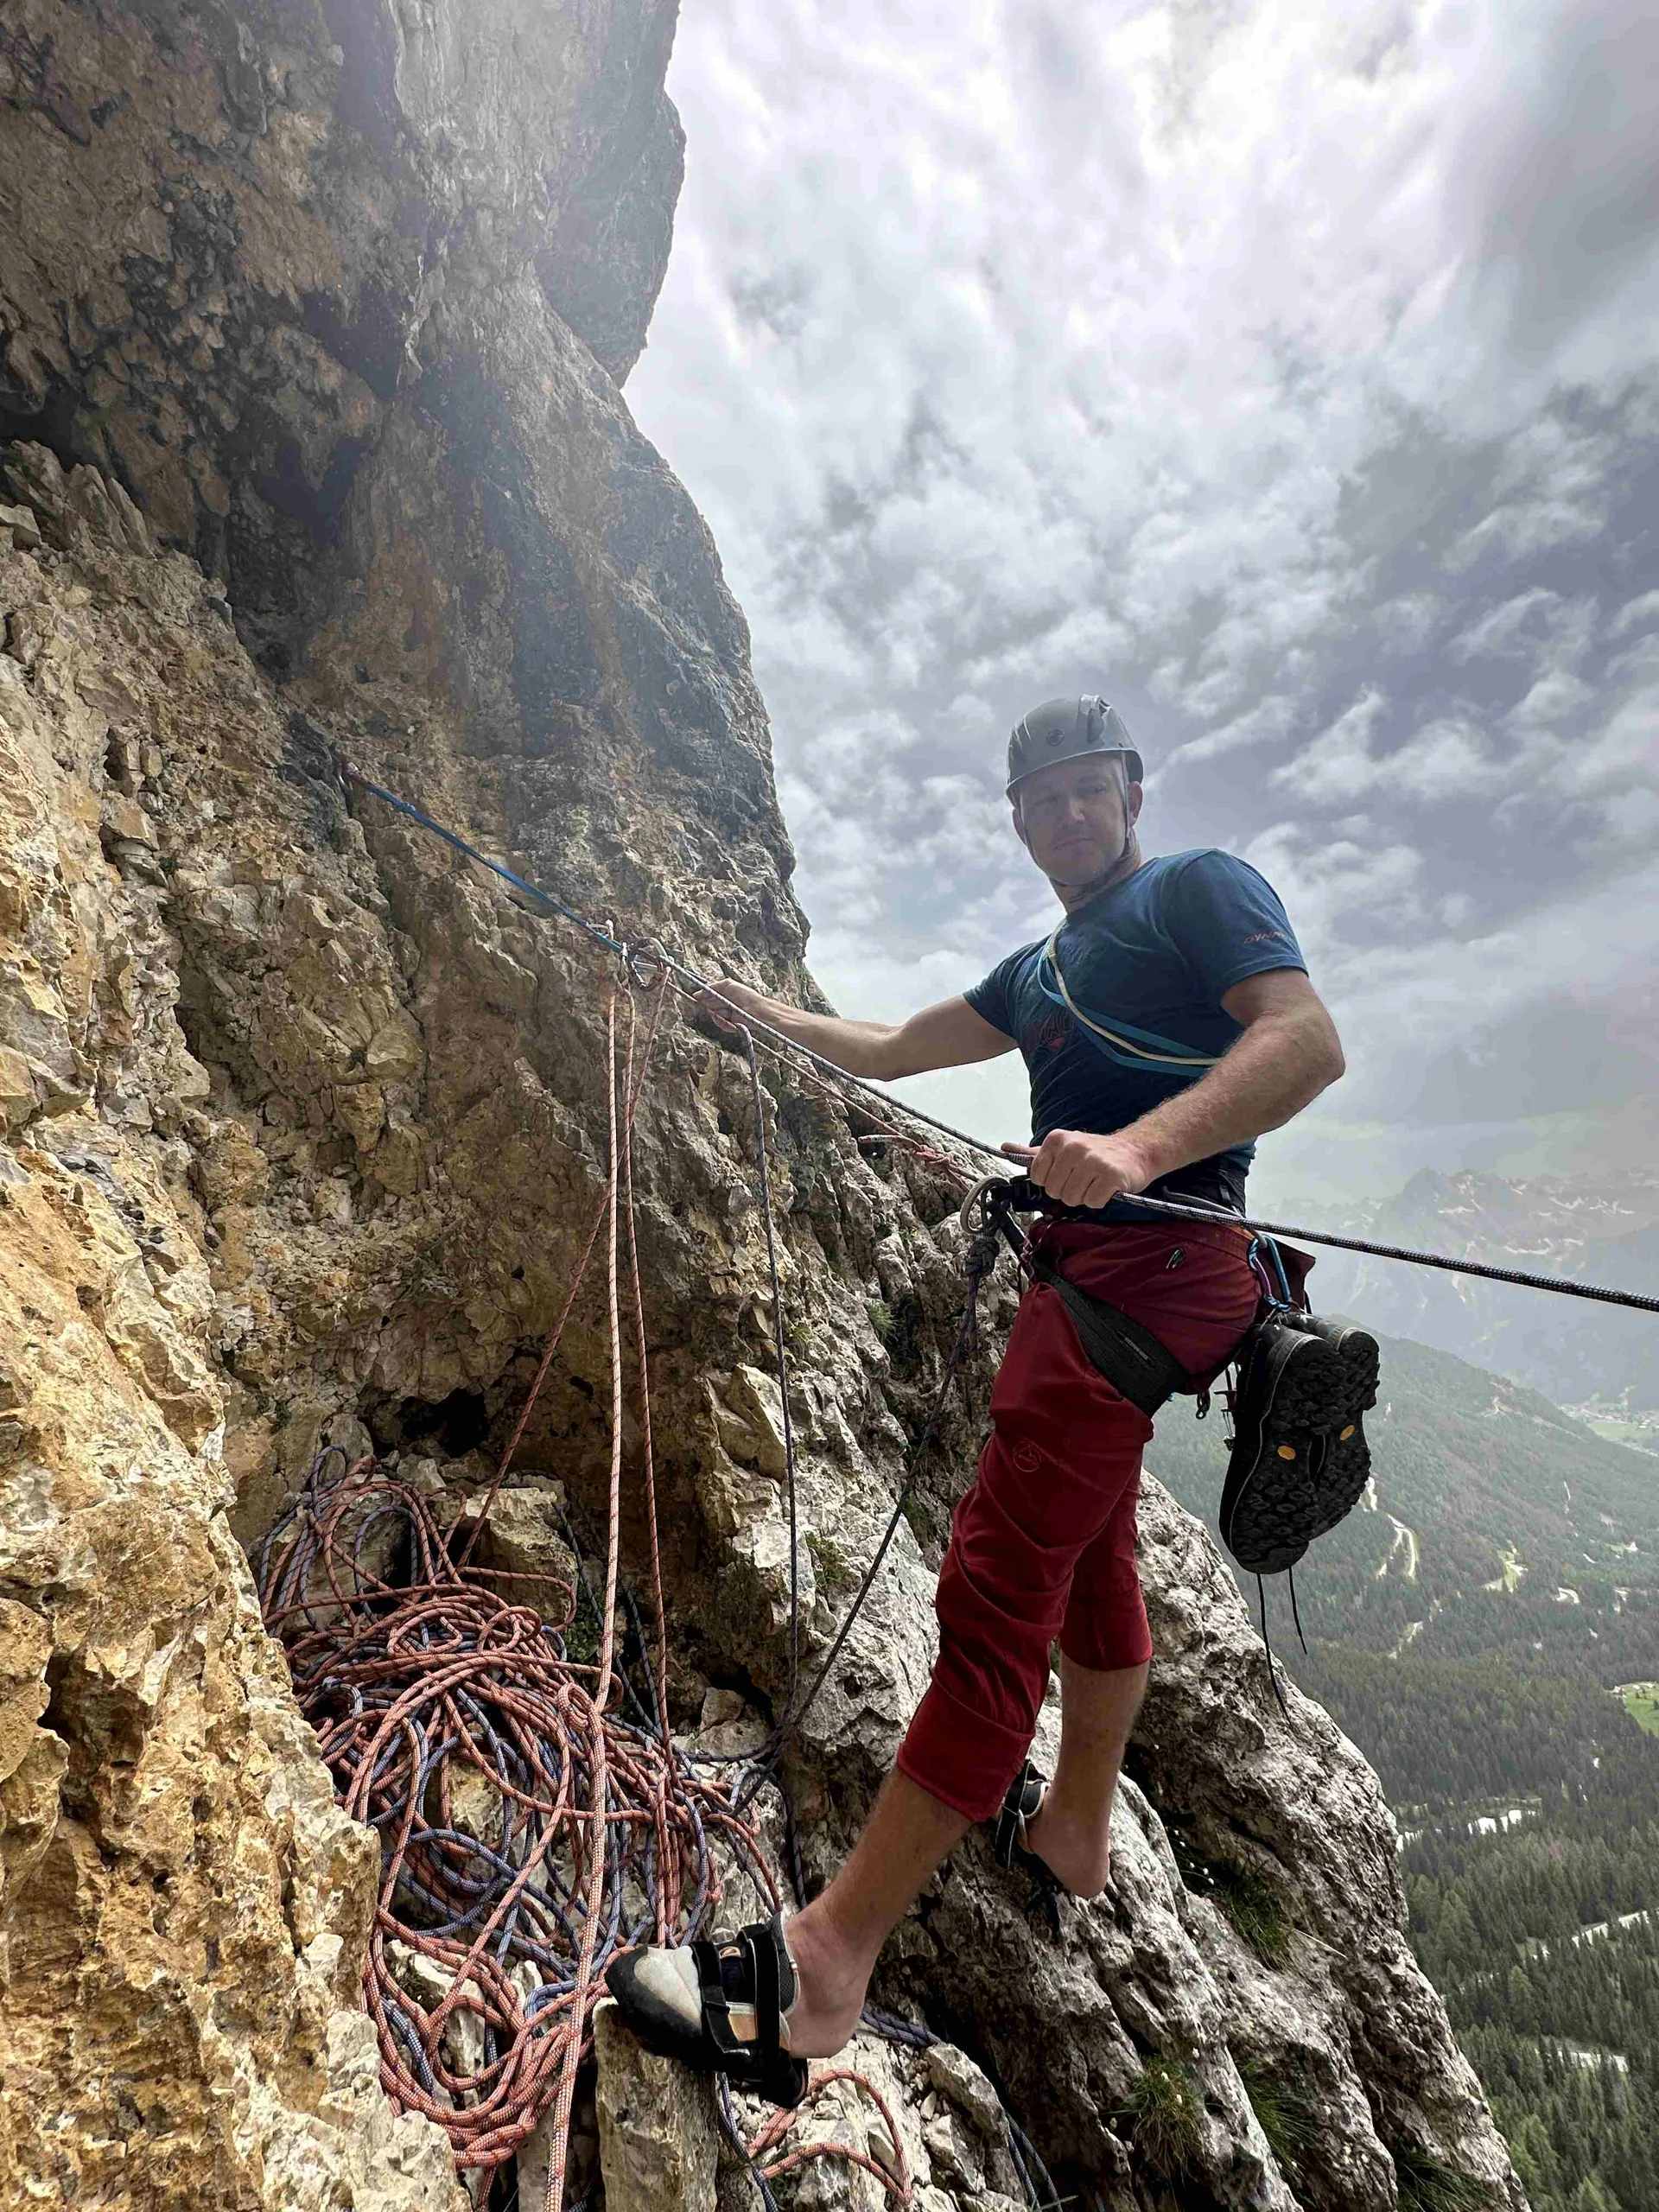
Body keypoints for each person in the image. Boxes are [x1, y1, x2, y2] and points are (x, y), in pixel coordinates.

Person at [607, 695, 1346, 2103]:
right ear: (1017, 819)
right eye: (1040, 799)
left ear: (1131, 793)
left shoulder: (1200, 888)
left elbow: (1304, 1039)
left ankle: (825, 1968)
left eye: (1087, 789)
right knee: (1092, 1551)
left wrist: (1135, 1149)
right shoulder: (1039, 968)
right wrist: (747, 1012)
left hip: (1142, 1276)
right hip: (1131, 1284)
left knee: (994, 1601)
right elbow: (892, 1047)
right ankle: (1075, 1829)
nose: (1066, 814)